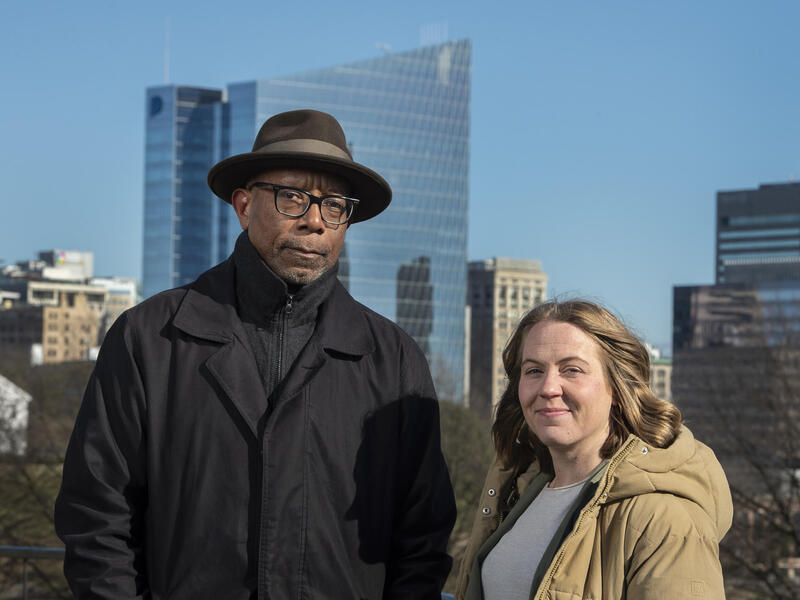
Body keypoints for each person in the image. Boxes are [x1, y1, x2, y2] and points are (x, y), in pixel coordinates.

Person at [55, 109, 457, 599]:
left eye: (334, 205)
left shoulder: (393, 359)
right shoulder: (149, 338)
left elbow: (422, 540)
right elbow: (96, 517)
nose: (315, 220)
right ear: (244, 206)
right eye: (293, 197)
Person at [455, 299, 732, 600]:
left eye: (571, 370)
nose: (548, 388)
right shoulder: (518, 492)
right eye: (533, 371)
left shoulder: (664, 519)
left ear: (617, 388)